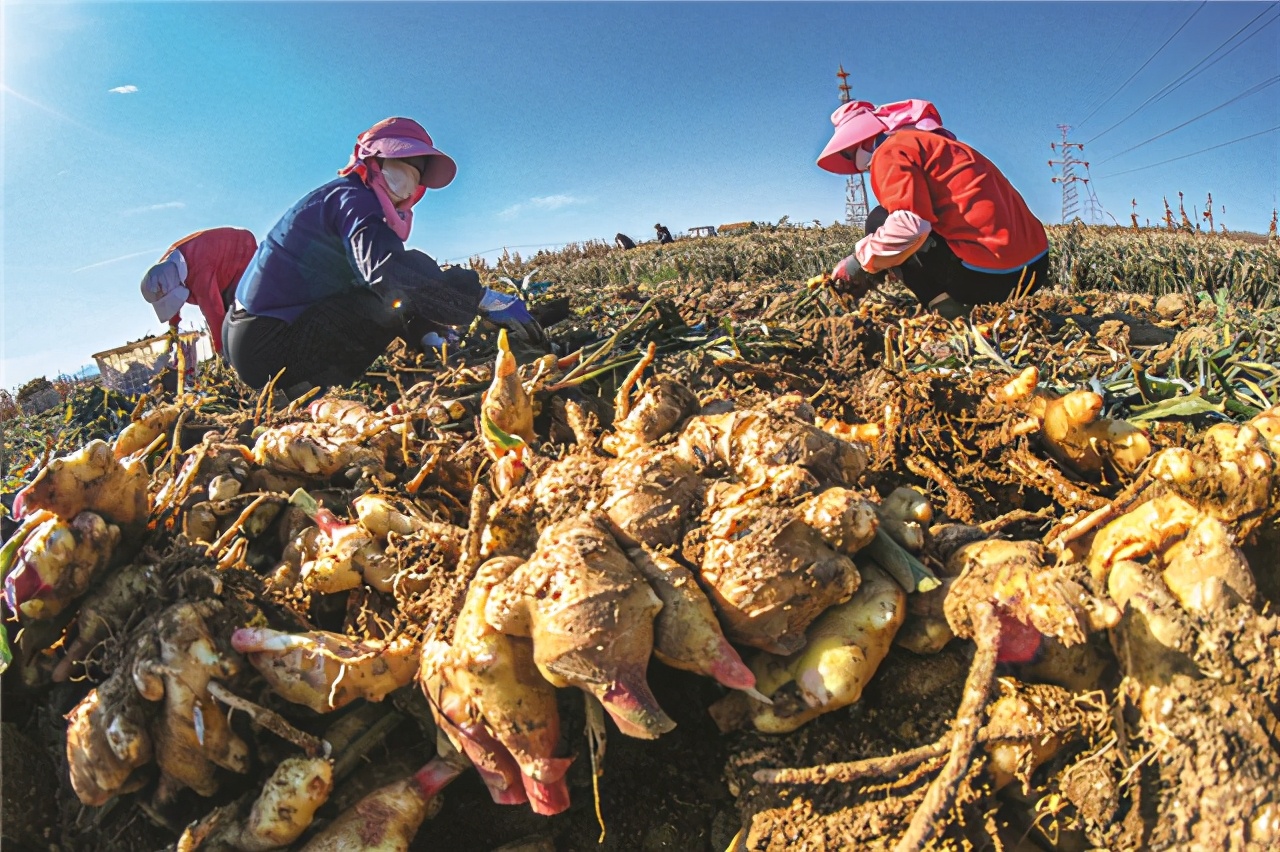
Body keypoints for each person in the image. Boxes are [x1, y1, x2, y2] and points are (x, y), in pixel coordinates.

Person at [224, 116, 544, 395]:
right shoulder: (355, 200)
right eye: (403, 164)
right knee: (384, 302)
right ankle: (307, 392)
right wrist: (483, 299)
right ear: (373, 161)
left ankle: (425, 340)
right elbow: (388, 274)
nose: (410, 180)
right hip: (268, 344)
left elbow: (383, 277)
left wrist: (424, 329)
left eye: (417, 174)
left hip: (254, 335)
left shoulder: (345, 199)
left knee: (392, 295)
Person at [817, 100, 1049, 320]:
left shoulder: (889, 152)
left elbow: (910, 227)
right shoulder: (938, 146)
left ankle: (945, 308)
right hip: (1036, 269)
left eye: (848, 154)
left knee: (879, 220)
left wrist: (859, 262)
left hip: (991, 278)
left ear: (863, 141)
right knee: (895, 232)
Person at [139, 227, 258, 356]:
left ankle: (245, 351)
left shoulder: (201, 276)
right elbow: (168, 295)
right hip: (214, 259)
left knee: (233, 314)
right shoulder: (166, 268)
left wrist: (221, 352)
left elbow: (215, 315)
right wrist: (173, 329)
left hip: (242, 252)